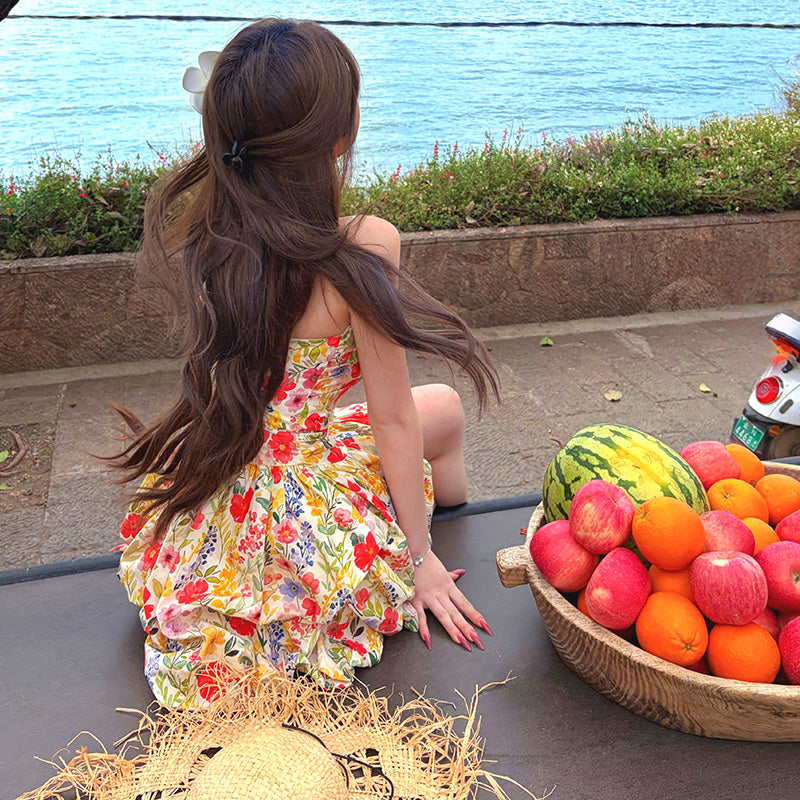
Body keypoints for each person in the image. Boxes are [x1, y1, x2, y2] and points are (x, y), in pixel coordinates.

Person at [113, 17, 499, 708]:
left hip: (234, 470)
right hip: (310, 490)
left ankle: (440, 514)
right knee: (441, 409)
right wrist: (419, 561)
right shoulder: (363, 247)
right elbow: (390, 417)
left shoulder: (214, 236)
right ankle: (452, 522)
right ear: (341, 135)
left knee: (434, 409)